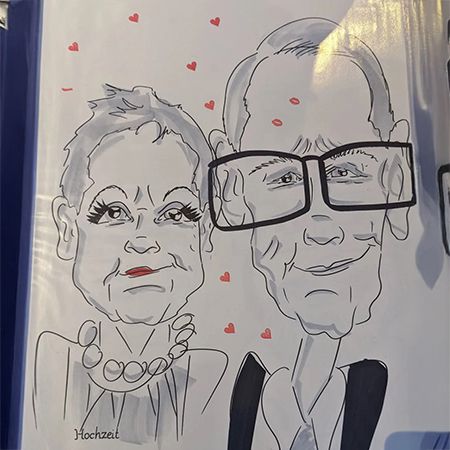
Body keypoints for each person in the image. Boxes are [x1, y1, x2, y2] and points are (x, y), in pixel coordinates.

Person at [208, 18, 416, 450]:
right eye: (283, 178)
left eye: (346, 171)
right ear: (232, 191)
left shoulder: (419, 387)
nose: (321, 229)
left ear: (395, 178)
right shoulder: (223, 391)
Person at [33, 85, 227, 448]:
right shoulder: (48, 361)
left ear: (204, 234)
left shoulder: (218, 375)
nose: (143, 239)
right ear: (68, 229)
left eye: (174, 214)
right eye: (113, 212)